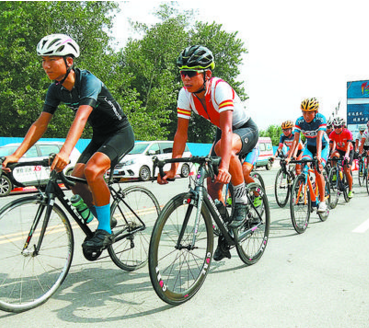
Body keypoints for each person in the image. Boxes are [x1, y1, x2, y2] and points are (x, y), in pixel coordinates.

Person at [1, 34, 135, 253]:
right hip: (100, 136)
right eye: (43, 60)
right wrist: (17, 154)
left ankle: (104, 230)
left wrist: (65, 152)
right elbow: (40, 123)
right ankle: (105, 218)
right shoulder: (55, 90)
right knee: (76, 180)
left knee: (92, 171)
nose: (46, 65)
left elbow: (81, 118)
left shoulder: (89, 82)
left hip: (120, 133)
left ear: (69, 61)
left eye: (51, 59)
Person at [158, 45, 259, 260]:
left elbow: (227, 128)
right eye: (182, 73)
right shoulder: (185, 94)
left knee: (222, 150)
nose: (185, 78)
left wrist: (224, 166)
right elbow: (181, 133)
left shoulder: (219, 88)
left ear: (207, 74)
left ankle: (241, 203)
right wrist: (174, 168)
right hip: (223, 134)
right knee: (212, 186)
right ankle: (226, 231)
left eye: (191, 73)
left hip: (243, 129)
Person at [286, 97, 329, 214]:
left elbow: (319, 137)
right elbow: (296, 140)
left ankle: (322, 201)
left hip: (322, 147)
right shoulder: (299, 121)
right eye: (304, 112)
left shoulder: (320, 119)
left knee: (318, 169)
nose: (307, 116)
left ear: (316, 112)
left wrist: (318, 155)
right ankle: (310, 193)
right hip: (309, 147)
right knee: (304, 164)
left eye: (310, 112)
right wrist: (289, 157)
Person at [328, 117, 354, 198]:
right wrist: (327, 155)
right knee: (333, 156)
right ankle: (334, 172)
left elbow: (348, 146)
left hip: (348, 151)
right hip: (339, 150)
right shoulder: (332, 133)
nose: (337, 129)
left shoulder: (348, 133)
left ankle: (350, 190)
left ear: (343, 126)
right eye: (335, 127)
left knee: (346, 170)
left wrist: (347, 155)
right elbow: (330, 146)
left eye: (339, 127)